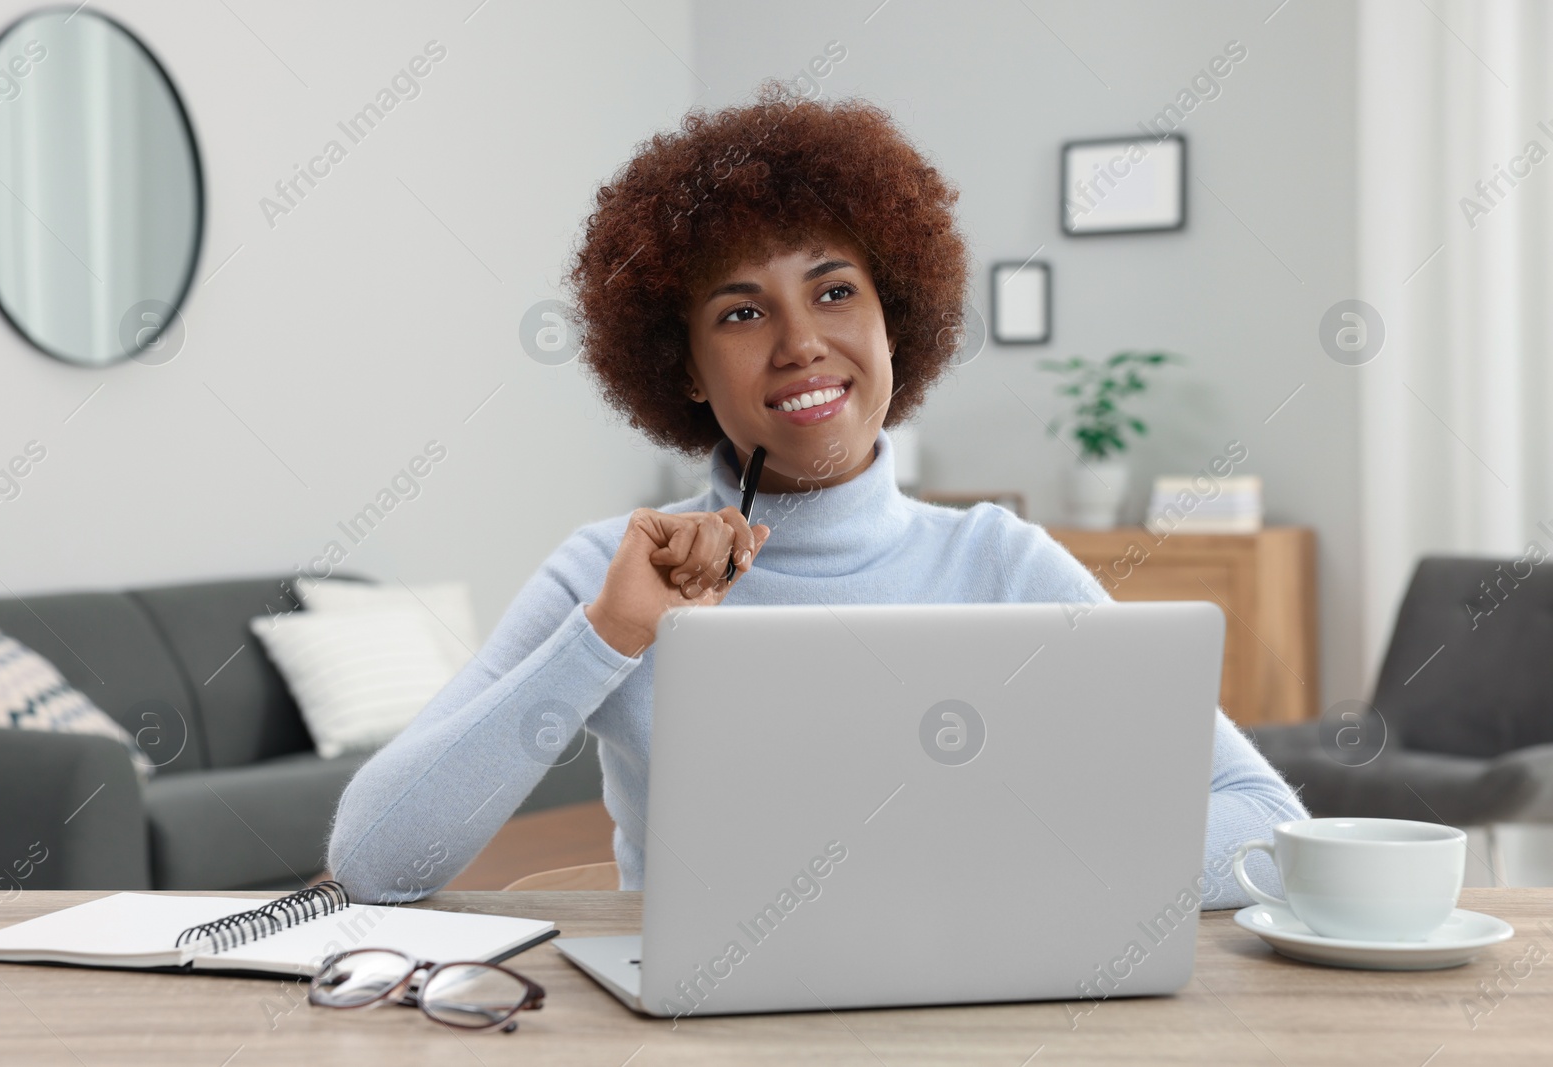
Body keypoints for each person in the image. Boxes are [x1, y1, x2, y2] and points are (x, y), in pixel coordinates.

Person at [326, 81, 1306, 907]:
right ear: (686, 369)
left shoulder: (1002, 563)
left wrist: (989, 866)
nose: (800, 341)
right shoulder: (610, 572)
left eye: (835, 292)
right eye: (743, 311)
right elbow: (376, 860)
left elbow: (1265, 824)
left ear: (895, 326)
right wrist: (609, 636)